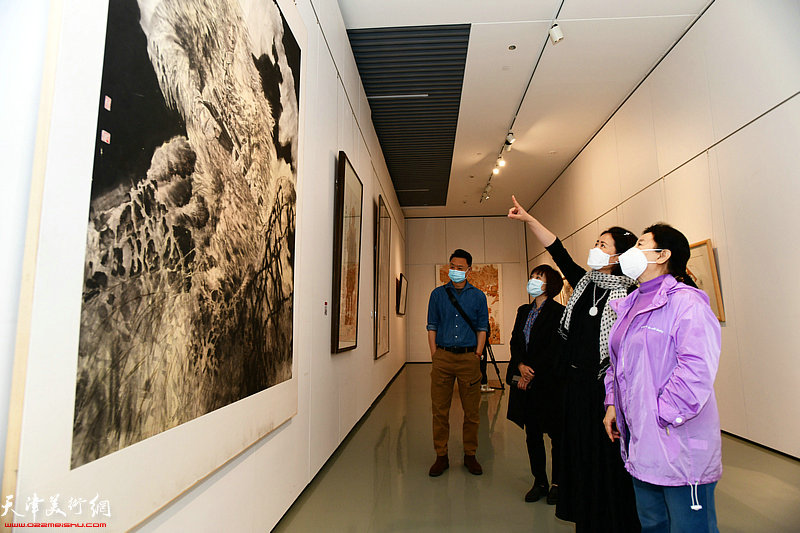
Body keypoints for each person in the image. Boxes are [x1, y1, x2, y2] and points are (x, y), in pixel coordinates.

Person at [508, 195, 641, 532]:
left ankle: (612, 517)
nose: (595, 248)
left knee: (606, 458)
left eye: (602, 244)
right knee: (576, 454)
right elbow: (558, 250)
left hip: (606, 389)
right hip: (574, 387)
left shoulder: (629, 294)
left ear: (617, 256)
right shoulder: (584, 283)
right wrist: (528, 220)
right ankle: (585, 514)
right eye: (595, 242)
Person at [603, 224, 722, 532]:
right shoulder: (629, 304)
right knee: (653, 524)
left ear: (662, 255)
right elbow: (619, 364)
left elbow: (696, 371)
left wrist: (659, 414)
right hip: (642, 440)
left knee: (689, 526)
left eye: (640, 244)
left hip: (676, 441)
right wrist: (613, 404)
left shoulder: (688, 303)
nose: (631, 251)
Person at [426, 248, 489, 477]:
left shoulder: (478, 296)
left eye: (460, 268)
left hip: (469, 358)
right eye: (452, 266)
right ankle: (441, 455)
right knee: (439, 410)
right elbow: (431, 325)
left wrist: (478, 354)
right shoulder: (437, 294)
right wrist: (435, 354)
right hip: (442, 357)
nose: (455, 271)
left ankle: (470, 454)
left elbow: (483, 328)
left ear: (469, 270)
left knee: (471, 411)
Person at [506, 264, 565, 504]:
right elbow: (515, 341)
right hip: (525, 382)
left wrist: (533, 373)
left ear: (549, 283)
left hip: (548, 383)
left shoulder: (558, 312)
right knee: (532, 435)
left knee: (556, 436)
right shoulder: (523, 311)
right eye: (532, 276)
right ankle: (539, 480)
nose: (533, 280)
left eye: (538, 277)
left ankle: (558, 483)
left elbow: (556, 349)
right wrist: (520, 366)